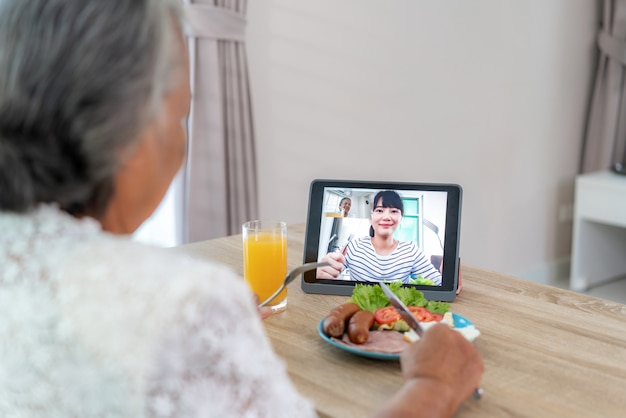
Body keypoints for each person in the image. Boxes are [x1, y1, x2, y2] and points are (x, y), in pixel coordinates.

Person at [0, 1, 482, 417]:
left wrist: (439, 274)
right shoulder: (185, 304)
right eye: (179, 115)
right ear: (128, 130)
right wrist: (434, 387)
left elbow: (427, 272)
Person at [318, 190, 443, 285]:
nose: (386, 217)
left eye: (394, 211)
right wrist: (321, 271)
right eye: (379, 210)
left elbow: (439, 283)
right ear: (371, 217)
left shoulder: (411, 250)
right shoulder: (354, 246)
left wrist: (449, 272)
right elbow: (328, 272)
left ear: (401, 218)